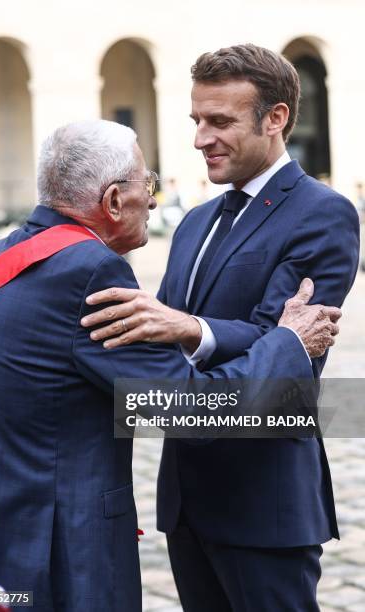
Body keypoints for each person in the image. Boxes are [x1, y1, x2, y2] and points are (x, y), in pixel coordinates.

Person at [0, 119, 338, 612]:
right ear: (114, 201)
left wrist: (189, 328)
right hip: (55, 545)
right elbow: (194, 411)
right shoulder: (88, 274)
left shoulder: (6, 251)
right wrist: (289, 341)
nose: (154, 201)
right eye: (147, 184)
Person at [82, 45, 360, 611]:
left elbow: (291, 354)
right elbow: (156, 341)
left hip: (265, 503)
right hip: (186, 500)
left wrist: (186, 328)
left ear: (276, 118)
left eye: (220, 121)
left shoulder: (322, 214)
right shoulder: (194, 221)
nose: (200, 138)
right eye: (196, 120)